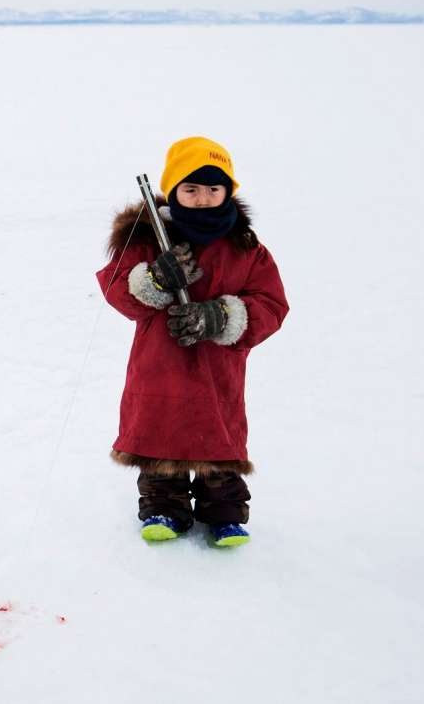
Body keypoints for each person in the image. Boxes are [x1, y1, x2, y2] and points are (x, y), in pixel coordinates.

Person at [95, 137, 288, 547]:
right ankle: (164, 507)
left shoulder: (245, 247)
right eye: (191, 188)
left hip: (217, 367)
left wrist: (221, 316)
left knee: (217, 433)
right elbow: (116, 287)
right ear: (173, 190)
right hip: (159, 365)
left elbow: (271, 303)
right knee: (159, 432)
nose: (203, 198)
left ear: (228, 191)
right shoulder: (147, 238)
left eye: (214, 188)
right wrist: (155, 280)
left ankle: (224, 513)